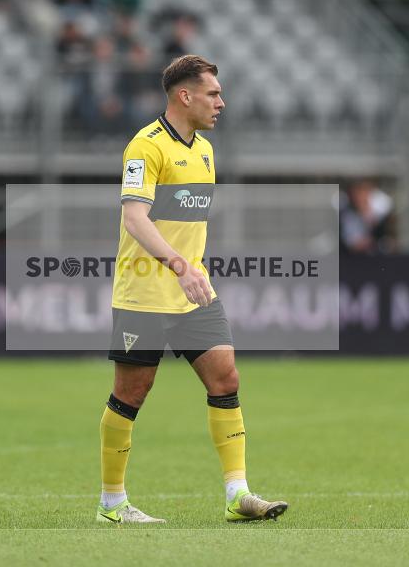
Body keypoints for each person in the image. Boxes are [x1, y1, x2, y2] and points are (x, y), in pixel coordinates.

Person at [97, 55, 289, 524]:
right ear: (185, 96)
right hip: (144, 293)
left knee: (226, 378)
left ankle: (237, 494)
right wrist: (179, 264)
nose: (221, 102)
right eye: (213, 93)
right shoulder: (145, 147)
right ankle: (112, 503)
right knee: (131, 394)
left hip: (192, 292)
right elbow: (134, 217)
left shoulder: (204, 149)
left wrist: (191, 270)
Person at [338, 179, 393, 255]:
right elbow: (350, 242)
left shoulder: (381, 215)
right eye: (357, 194)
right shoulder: (346, 215)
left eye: (363, 193)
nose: (360, 197)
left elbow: (387, 239)